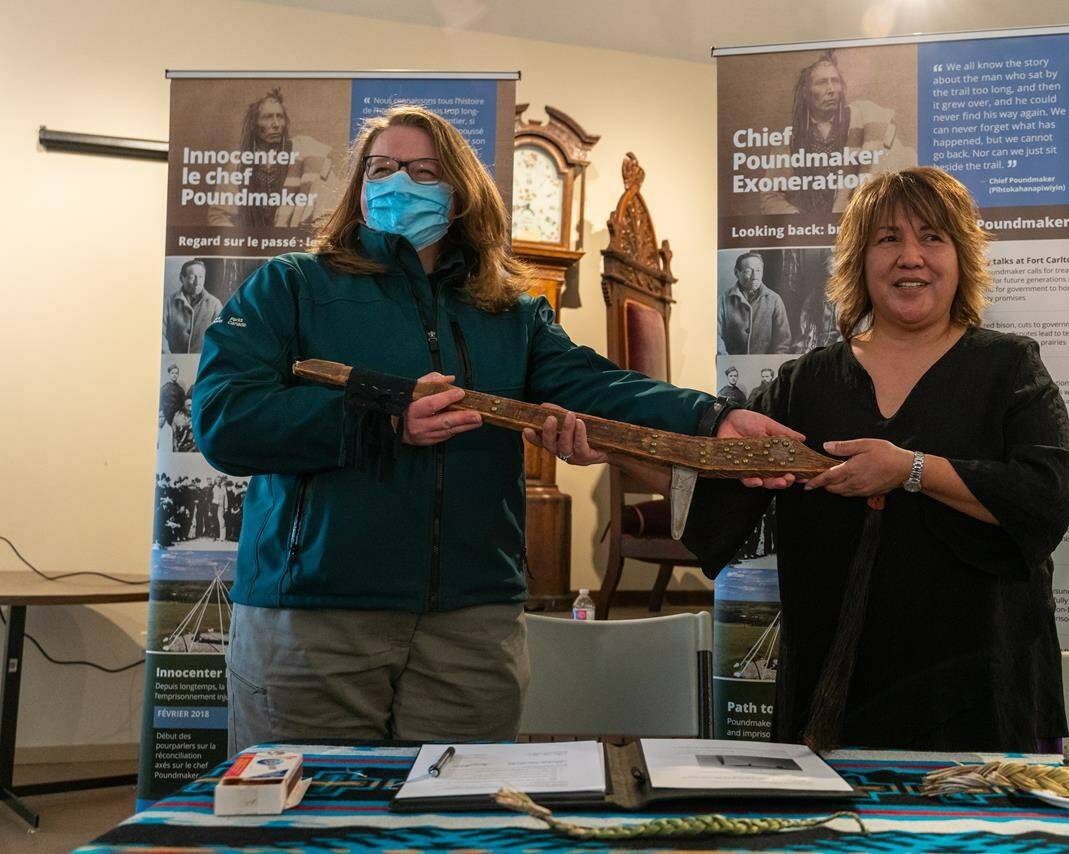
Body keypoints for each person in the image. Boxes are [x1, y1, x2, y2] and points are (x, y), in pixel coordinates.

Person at [193, 104, 794, 754]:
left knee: (457, 829)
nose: (399, 183)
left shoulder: (511, 314)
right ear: (359, 186)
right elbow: (225, 419)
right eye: (383, 168)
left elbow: (599, 385)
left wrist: (714, 419)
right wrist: (378, 417)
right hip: (313, 619)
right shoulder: (291, 286)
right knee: (311, 827)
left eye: (422, 171)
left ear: (460, 195)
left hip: (472, 623)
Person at [589, 167, 1069, 752]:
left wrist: (911, 469)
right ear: (859, 260)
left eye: (932, 237)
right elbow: (722, 490)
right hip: (839, 682)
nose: (910, 257)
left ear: (961, 257)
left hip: (981, 680)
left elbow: (1046, 497)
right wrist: (607, 449)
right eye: (887, 239)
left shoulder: (1010, 368)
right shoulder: (806, 384)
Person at [760, 52, 916, 215]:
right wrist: (800, 220)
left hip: (856, 224)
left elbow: (902, 168)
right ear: (806, 92)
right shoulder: (790, 138)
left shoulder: (865, 121)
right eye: (821, 83)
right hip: (812, 229)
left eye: (835, 81)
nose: (831, 89)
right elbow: (771, 196)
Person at [207, 87, 334, 229]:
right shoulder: (237, 164)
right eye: (268, 117)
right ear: (254, 125)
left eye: (280, 117)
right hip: (251, 244)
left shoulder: (303, 155)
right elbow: (219, 217)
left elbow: (328, 204)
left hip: (291, 242)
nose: (276, 124)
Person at [718, 251, 791, 355]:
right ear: (736, 272)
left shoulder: (774, 300)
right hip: (733, 367)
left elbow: (783, 342)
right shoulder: (723, 300)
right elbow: (715, 336)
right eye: (748, 271)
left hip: (765, 367)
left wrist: (773, 365)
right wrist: (728, 362)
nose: (754, 276)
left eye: (758, 270)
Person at [162, 260, 222, 353]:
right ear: (182, 278)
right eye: (192, 277)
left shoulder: (215, 304)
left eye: (201, 277)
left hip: (202, 362)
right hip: (175, 363)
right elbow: (160, 334)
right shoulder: (168, 302)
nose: (197, 282)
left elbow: (221, 335)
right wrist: (169, 356)